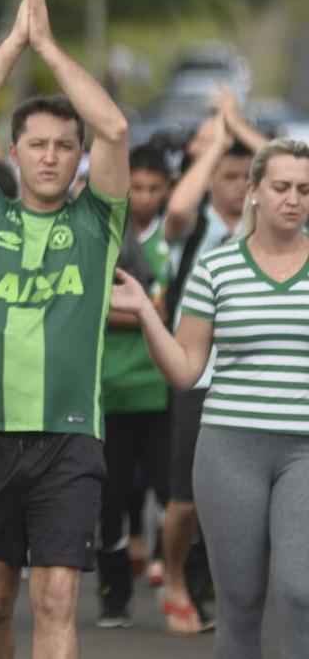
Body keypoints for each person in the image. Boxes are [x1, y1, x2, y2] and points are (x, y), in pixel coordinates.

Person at [0, 0, 130, 659]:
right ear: (14, 152)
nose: (51, 156)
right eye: (38, 144)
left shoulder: (97, 221)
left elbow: (112, 123)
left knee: (55, 598)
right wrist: (14, 43)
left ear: (79, 158)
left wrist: (49, 46)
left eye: (64, 146)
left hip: (69, 437)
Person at [110, 137, 309, 659]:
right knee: (239, 606)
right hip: (230, 450)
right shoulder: (216, 268)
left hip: (304, 451)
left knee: (299, 592)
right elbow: (184, 369)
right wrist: (145, 311)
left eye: (305, 190)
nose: (294, 199)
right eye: (282, 187)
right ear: (256, 192)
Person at [157, 91, 263, 634]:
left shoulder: (276, 232)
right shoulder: (193, 230)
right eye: (228, 176)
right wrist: (218, 141)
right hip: (199, 376)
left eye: (249, 177)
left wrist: (241, 125)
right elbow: (176, 207)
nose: (239, 187)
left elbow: (297, 175)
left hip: (257, 382)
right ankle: (173, 576)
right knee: (185, 499)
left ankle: (233, 594)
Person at [95, 143, 173, 628]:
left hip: (161, 388)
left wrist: (123, 310)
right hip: (108, 391)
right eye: (136, 187)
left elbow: (163, 310)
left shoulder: (175, 238)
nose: (143, 197)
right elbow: (93, 306)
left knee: (174, 496)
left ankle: (184, 579)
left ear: (166, 189)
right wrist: (141, 311)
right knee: (111, 502)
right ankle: (113, 596)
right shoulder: (104, 236)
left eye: (153, 188)